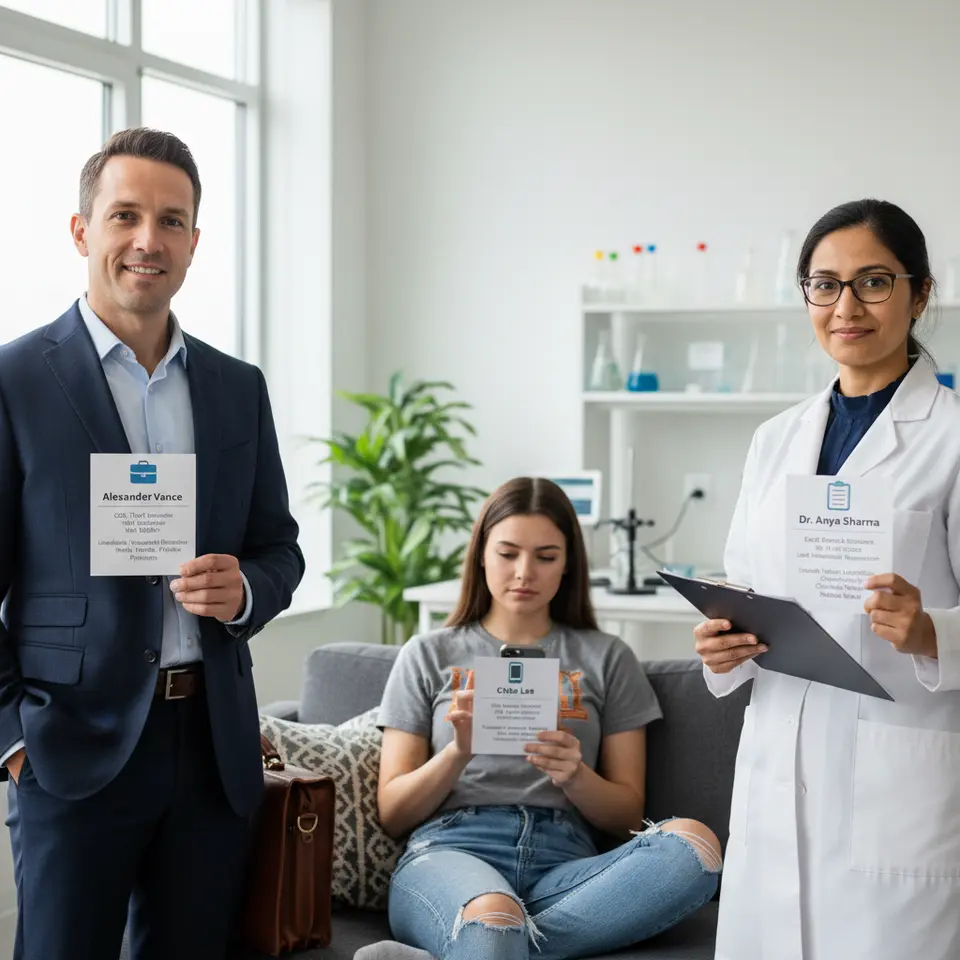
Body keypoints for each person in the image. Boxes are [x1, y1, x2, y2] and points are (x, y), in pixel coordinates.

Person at [0, 127, 304, 959]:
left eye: (171, 221)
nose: (147, 240)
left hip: (212, 750)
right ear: (81, 231)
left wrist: (244, 591)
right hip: (70, 749)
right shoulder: (15, 380)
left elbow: (280, 546)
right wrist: (16, 742)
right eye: (125, 215)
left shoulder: (237, 388)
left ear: (195, 243)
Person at [694, 199, 960, 959]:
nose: (846, 307)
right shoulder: (774, 441)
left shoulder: (951, 438)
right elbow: (743, 588)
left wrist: (932, 630)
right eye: (824, 284)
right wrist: (721, 644)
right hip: (779, 760)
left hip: (900, 773)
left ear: (920, 293)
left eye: (873, 282)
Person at [374, 477, 722, 960]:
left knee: (695, 847)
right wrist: (458, 753)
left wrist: (575, 774)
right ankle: (491, 931)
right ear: (481, 554)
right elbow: (392, 813)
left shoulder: (608, 657)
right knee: (494, 913)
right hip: (453, 850)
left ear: (568, 565)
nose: (524, 572)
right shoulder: (428, 654)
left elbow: (626, 817)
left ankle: (486, 941)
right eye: (507, 552)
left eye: (545, 556)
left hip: (567, 863)